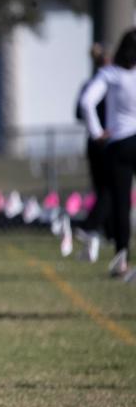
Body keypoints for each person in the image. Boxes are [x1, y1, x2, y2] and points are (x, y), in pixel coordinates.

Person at [78, 28, 136, 280]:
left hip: (119, 143)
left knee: (121, 204)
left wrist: (97, 131)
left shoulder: (111, 74)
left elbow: (86, 102)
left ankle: (122, 260)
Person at [72, 44, 114, 262]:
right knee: (108, 188)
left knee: (102, 188)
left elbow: (79, 112)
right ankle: (90, 226)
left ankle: (108, 232)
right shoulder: (110, 84)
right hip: (105, 141)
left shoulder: (88, 84)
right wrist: (101, 130)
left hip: (92, 142)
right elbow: (83, 108)